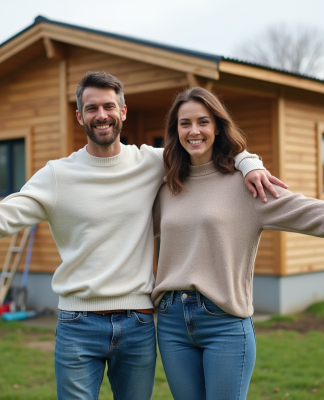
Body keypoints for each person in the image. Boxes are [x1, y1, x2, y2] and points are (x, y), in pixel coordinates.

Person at [0, 72, 283, 400]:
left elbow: (204, 147)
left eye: (109, 106)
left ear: (122, 111)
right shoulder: (56, 175)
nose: (101, 115)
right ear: (80, 116)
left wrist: (250, 163)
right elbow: (7, 215)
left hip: (138, 323)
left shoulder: (152, 162)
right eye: (91, 108)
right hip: (77, 324)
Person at [152, 87, 324, 400]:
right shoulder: (167, 187)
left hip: (223, 323)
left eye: (203, 122)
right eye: (184, 123)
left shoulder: (247, 184)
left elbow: (310, 212)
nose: (194, 131)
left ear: (217, 126)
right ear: (175, 131)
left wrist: (247, 161)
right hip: (171, 322)